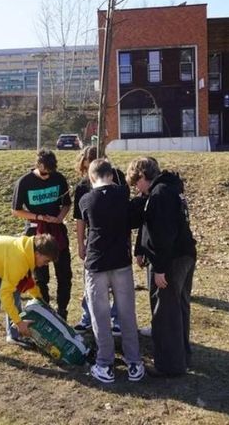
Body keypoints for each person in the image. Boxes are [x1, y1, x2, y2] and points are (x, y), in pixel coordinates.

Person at [126, 157, 197, 377]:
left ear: (143, 176)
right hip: (185, 255)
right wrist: (140, 249)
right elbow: (149, 224)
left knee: (165, 312)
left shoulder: (159, 195)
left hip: (171, 260)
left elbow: (163, 234)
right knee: (180, 307)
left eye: (136, 183)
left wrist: (159, 268)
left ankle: (168, 366)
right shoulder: (170, 188)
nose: (137, 189)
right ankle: (183, 355)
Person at [79, 159, 144, 383]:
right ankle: (134, 361)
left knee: (100, 315)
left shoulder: (86, 199)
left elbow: (87, 222)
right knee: (127, 313)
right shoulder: (123, 195)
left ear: (91, 176)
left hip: (96, 263)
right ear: (111, 174)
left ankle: (105, 363)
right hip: (121, 262)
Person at [12, 149, 73, 320]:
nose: (47, 176)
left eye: (50, 173)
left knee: (64, 274)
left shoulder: (59, 178)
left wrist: (60, 218)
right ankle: (45, 310)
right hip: (35, 232)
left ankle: (62, 311)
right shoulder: (24, 182)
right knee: (41, 277)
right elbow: (16, 211)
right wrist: (39, 217)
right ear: (37, 165)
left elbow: (66, 204)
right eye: (44, 173)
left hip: (57, 233)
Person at [72, 146, 125, 334]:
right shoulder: (82, 186)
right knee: (91, 282)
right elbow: (80, 218)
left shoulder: (118, 177)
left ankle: (117, 319)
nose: (88, 173)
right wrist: (80, 243)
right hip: (95, 242)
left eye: (90, 167)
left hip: (117, 239)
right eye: (85, 168)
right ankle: (88, 317)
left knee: (118, 282)